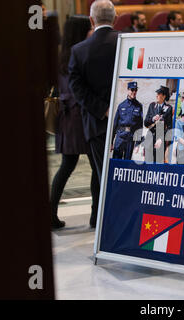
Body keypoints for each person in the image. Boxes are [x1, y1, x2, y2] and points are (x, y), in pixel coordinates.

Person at [69, 0, 119, 228]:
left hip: (96, 124)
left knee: (102, 175)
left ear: (92, 20)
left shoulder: (78, 51)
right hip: (130, 122)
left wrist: (102, 109)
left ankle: (104, 225)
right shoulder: (128, 43)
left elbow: (77, 88)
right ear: (115, 18)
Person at [50, 16, 98, 230]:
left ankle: (51, 214)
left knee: (66, 166)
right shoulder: (81, 53)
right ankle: (95, 217)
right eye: (89, 28)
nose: (91, 31)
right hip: (82, 117)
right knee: (97, 167)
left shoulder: (60, 56)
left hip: (66, 118)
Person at [112, 82, 143, 160]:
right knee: (116, 161)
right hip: (120, 137)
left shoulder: (139, 106)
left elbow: (140, 126)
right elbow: (115, 124)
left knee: (127, 162)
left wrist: (137, 144)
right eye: (132, 90)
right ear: (128, 90)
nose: (134, 92)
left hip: (131, 138)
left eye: (135, 90)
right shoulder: (121, 105)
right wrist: (111, 142)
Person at [144, 86, 173, 163]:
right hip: (150, 138)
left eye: (159, 94)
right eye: (157, 94)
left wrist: (161, 139)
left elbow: (169, 127)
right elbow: (146, 123)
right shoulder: (152, 106)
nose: (156, 95)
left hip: (160, 140)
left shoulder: (169, 108)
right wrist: (152, 119)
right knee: (147, 163)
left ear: (164, 96)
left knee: (158, 164)